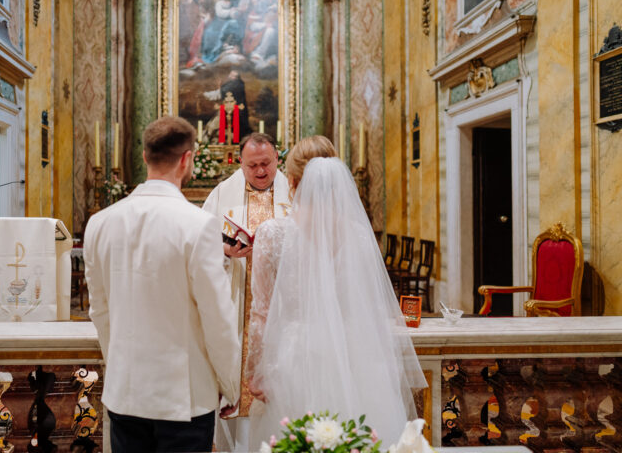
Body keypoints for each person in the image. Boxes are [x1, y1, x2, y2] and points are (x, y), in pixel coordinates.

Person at [245, 136, 427, 450]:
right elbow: (369, 307)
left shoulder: (272, 234)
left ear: (292, 182)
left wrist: (255, 371)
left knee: (293, 440)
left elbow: (261, 313)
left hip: (294, 358)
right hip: (353, 356)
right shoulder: (359, 235)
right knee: (358, 437)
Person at [84, 116, 241, 453]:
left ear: (145, 156)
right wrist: (232, 386)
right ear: (187, 159)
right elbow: (217, 319)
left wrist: (121, 367)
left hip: (125, 392)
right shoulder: (198, 225)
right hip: (183, 399)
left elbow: (100, 312)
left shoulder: (99, 223)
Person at [202, 132, 291, 451]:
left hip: (281, 304)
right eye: (252, 165)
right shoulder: (222, 194)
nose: (261, 171)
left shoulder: (295, 193)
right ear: (240, 163)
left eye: (266, 163)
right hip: (236, 300)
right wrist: (225, 251)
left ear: (277, 159)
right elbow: (199, 244)